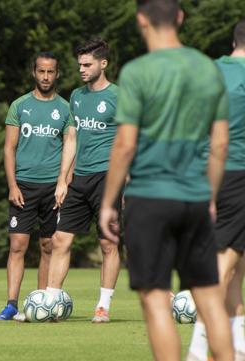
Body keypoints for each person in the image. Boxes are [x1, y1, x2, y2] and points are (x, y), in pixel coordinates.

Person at [99, 1, 233, 360]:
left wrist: (109, 202)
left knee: (157, 299)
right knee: (209, 297)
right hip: (195, 197)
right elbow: (220, 143)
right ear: (180, 17)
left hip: (149, 198)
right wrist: (210, 195)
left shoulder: (137, 72)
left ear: (141, 19)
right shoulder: (207, 68)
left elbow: (125, 144)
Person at [0, 52, 75, 321]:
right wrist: (12, 185)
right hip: (24, 187)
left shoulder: (65, 109)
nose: (45, 76)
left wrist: (64, 183)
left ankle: (43, 301)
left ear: (57, 74)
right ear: (34, 72)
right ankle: (11, 304)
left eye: (50, 72)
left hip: (53, 189)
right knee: (17, 245)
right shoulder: (19, 105)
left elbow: (70, 149)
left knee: (48, 246)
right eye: (41, 71)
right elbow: (9, 148)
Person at [46, 38, 121, 323]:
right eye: (79, 64)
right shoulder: (76, 96)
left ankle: (103, 306)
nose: (82, 69)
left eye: (87, 64)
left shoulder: (118, 97)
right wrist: (63, 180)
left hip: (108, 177)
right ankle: (51, 300)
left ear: (103, 64)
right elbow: (72, 139)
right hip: (80, 178)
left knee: (107, 243)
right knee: (60, 239)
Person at [188, 18, 245, 361]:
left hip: (209, 172)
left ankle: (238, 348)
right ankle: (198, 350)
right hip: (239, 173)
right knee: (224, 265)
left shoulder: (210, 70)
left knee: (236, 266)